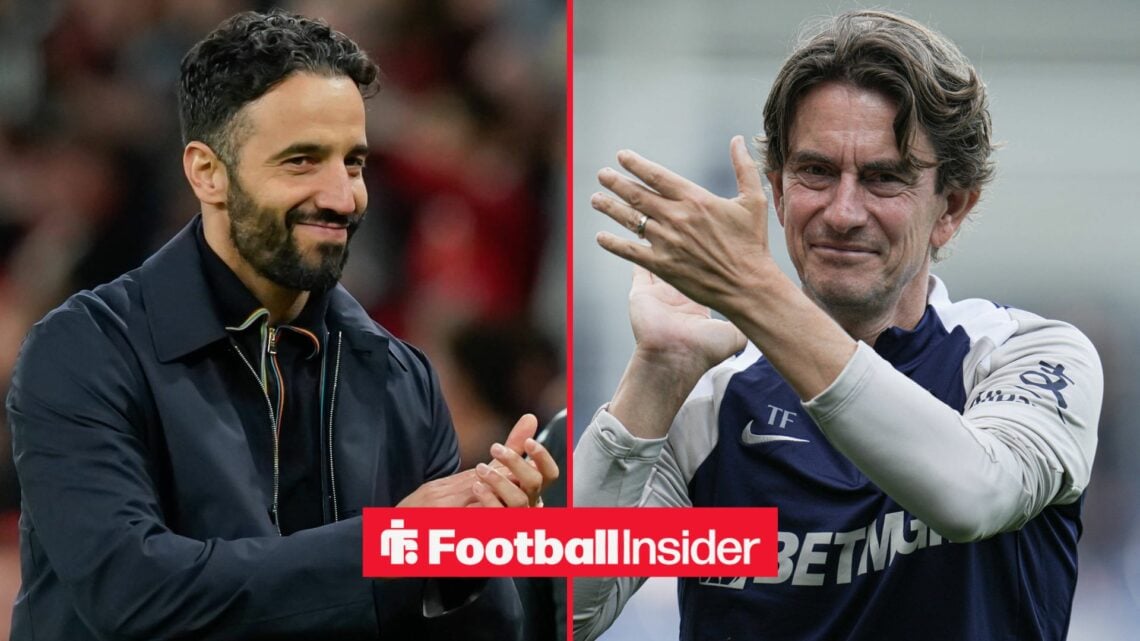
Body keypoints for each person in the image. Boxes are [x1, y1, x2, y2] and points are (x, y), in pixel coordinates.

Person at [6, 10, 558, 641]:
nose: (342, 196)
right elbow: (134, 597)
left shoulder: (400, 378)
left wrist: (468, 560)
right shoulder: (83, 352)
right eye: (302, 161)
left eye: (353, 162)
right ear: (206, 172)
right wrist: (393, 549)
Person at [573, 10, 1101, 641]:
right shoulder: (712, 406)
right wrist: (659, 369)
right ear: (777, 190)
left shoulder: (1024, 357)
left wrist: (754, 293)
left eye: (884, 178)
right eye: (816, 172)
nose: (844, 212)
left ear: (951, 208)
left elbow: (972, 495)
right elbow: (567, 610)